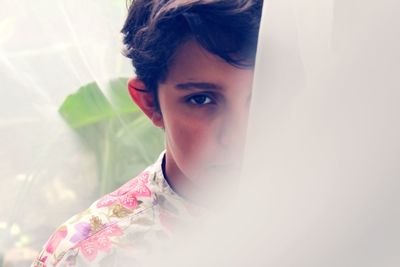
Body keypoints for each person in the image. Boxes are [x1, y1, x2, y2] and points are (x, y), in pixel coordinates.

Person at [31, 0, 263, 266]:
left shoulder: (317, 219)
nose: (237, 137)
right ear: (150, 104)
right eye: (201, 99)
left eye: (261, 97)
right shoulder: (84, 257)